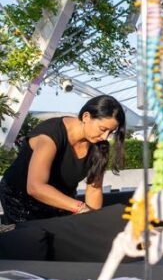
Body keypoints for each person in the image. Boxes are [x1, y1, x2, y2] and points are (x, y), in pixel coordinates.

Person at [0, 95, 126, 224]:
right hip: (20, 199)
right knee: (34, 235)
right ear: (86, 117)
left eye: (111, 132)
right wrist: (82, 208)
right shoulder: (50, 135)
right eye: (103, 129)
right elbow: (35, 187)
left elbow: (94, 190)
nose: (105, 137)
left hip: (61, 202)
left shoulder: (100, 146)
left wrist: (94, 221)